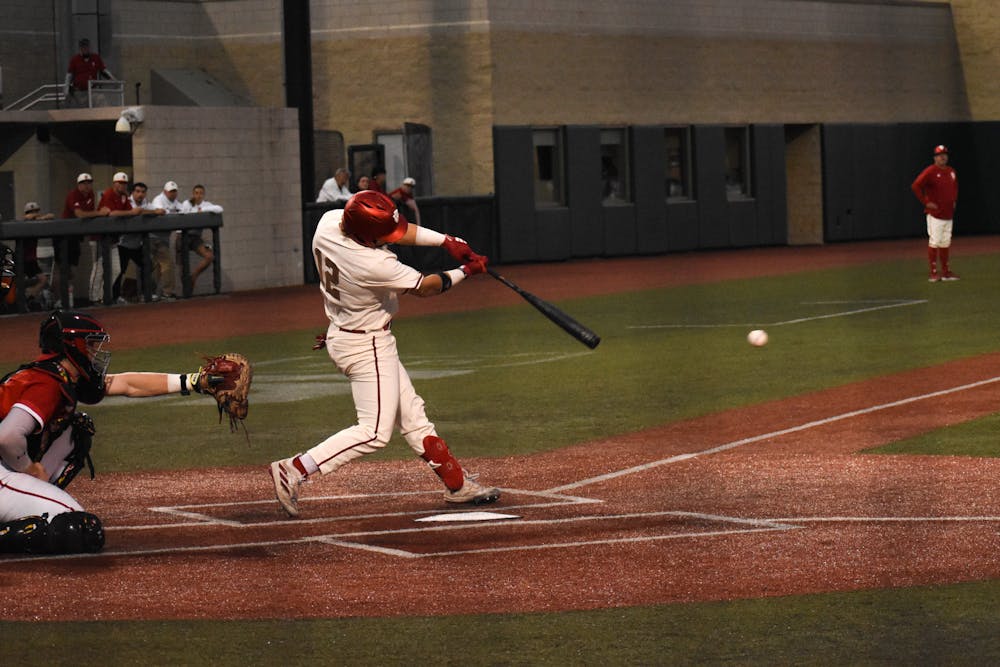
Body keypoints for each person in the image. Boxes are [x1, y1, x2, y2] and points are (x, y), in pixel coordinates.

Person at [269, 191, 499, 518]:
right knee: (375, 432)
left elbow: (394, 229)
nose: (389, 240)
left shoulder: (329, 222)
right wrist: (467, 271)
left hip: (347, 330)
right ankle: (294, 468)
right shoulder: (373, 264)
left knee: (413, 415)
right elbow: (426, 287)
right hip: (366, 345)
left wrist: (446, 240)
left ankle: (457, 484)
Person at [0, 310, 226, 554]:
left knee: (77, 431)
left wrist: (193, 381)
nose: (95, 352)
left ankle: (29, 500)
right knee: (79, 528)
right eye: (91, 344)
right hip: (4, 469)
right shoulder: (46, 382)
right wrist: (29, 468)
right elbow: (7, 437)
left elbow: (128, 384)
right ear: (71, 345)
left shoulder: (58, 376)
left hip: (5, 468)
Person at [55, 173, 110, 308]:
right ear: (79, 185)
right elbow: (80, 214)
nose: (87, 185)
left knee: (71, 270)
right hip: (63, 236)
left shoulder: (90, 195)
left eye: (89, 182)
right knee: (62, 270)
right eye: (84, 183)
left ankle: (67, 299)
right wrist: (99, 213)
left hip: (75, 237)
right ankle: (58, 298)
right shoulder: (73, 195)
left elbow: (88, 215)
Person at [911, 144, 959, 282]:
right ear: (935, 157)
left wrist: (954, 200)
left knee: (945, 242)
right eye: (939, 155)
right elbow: (916, 186)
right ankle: (933, 272)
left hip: (948, 213)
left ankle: (945, 272)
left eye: (944, 154)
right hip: (935, 214)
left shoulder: (951, 171)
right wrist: (926, 202)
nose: (942, 157)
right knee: (935, 241)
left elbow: (955, 187)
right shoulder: (931, 171)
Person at [92, 172, 142, 304]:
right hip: (100, 237)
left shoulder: (124, 197)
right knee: (99, 269)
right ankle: (93, 298)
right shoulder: (109, 194)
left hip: (113, 239)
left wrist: (131, 212)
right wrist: (131, 212)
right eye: (120, 183)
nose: (122, 185)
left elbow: (130, 211)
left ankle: (103, 296)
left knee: (117, 269)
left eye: (124, 183)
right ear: (114, 183)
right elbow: (111, 213)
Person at [116, 182, 166, 302]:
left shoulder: (146, 203)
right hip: (122, 243)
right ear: (132, 192)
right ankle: (116, 296)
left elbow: (161, 211)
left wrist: (156, 211)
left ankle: (145, 293)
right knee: (119, 271)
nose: (140, 194)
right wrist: (153, 213)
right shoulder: (127, 202)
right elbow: (136, 212)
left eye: (143, 192)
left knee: (147, 265)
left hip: (136, 245)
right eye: (137, 191)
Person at [178, 184, 222, 292]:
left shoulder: (206, 204)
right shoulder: (187, 203)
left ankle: (194, 276)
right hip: (182, 236)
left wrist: (202, 209)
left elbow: (219, 209)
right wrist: (197, 212)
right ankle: (187, 292)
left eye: (201, 193)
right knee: (182, 266)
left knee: (209, 257)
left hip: (195, 237)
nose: (198, 195)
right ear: (193, 194)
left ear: (203, 194)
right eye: (196, 193)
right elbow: (184, 215)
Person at [150, 181, 183, 299]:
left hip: (163, 239)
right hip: (151, 237)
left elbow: (184, 212)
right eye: (171, 191)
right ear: (165, 192)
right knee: (156, 266)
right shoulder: (158, 199)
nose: (173, 194)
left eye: (175, 191)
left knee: (163, 266)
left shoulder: (176, 203)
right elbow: (162, 213)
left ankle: (162, 292)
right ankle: (158, 292)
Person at [63, 38, 114, 107]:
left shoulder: (95, 58)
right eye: (83, 47)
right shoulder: (75, 60)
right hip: (79, 92)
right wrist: (66, 90)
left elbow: (104, 71)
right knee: (73, 106)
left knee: (101, 99)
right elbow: (69, 76)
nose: (85, 48)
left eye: (86, 46)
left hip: (92, 91)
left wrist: (113, 79)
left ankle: (106, 116)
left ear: (89, 47)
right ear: (80, 48)